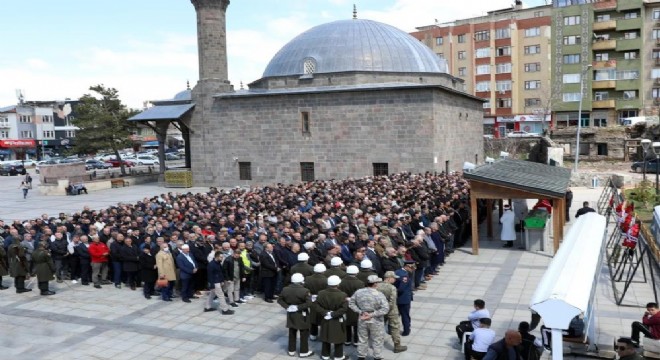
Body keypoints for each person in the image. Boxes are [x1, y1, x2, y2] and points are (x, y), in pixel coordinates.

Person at [349, 274, 390, 360]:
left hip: (362, 318)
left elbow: (351, 303)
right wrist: (372, 314)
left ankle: (361, 356)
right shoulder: (379, 294)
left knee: (362, 338)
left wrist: (360, 312)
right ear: (375, 284)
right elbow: (385, 309)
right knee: (377, 339)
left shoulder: (358, 292)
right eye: (377, 282)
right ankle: (377, 356)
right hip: (376, 320)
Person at [278, 272, 314, 358]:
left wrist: (288, 307)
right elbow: (309, 303)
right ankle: (303, 351)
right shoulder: (305, 291)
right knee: (304, 333)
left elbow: (280, 300)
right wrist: (298, 307)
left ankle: (291, 350)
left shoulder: (285, 289)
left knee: (292, 332)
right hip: (302, 314)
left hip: (291, 314)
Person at [314, 275, 348, 360]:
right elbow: (344, 309)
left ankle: (325, 355)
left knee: (326, 336)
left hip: (325, 318)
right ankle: (338, 356)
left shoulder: (321, 293)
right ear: (338, 284)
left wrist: (325, 313)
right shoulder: (342, 295)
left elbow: (316, 305)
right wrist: (333, 314)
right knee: (339, 337)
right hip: (337, 318)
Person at [377, 270, 407, 353]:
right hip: (391, 311)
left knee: (379, 327)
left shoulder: (377, 286)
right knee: (395, 328)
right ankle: (397, 346)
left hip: (380, 310)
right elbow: (392, 301)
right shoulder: (392, 288)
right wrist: (387, 309)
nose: (395, 280)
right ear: (389, 278)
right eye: (394, 278)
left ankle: (376, 344)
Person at [339, 264, 365, 346]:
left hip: (345, 304)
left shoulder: (341, 282)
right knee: (357, 323)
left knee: (347, 323)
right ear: (356, 272)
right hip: (356, 305)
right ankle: (356, 340)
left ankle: (347, 340)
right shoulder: (360, 283)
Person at [205, 251, 234, 315]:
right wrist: (212, 285)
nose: (222, 258)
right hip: (215, 283)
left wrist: (222, 281)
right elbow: (210, 276)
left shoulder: (218, 263)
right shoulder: (211, 265)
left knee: (212, 295)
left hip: (218, 282)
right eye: (221, 257)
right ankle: (225, 310)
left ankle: (207, 307)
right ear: (216, 257)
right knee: (221, 296)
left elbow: (220, 273)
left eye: (222, 257)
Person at [305, 263, 328, 341]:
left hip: (312, 299)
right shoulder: (326, 279)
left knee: (313, 316)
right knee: (323, 316)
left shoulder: (307, 279)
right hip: (323, 300)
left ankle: (313, 334)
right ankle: (323, 334)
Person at [394, 260, 415, 337]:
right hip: (403, 299)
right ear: (406, 266)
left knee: (395, 315)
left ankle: (391, 329)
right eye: (412, 267)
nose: (413, 269)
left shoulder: (397, 271)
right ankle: (406, 330)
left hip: (399, 298)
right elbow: (401, 289)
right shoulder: (404, 275)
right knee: (405, 315)